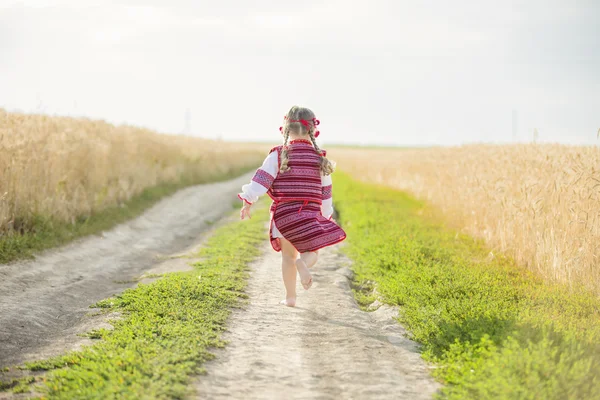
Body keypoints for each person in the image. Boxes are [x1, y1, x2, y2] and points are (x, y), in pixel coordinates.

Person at [238, 105, 347, 307]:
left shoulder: (278, 155)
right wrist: (325, 216)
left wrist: (248, 200)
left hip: (284, 217)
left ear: (286, 129)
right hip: (309, 215)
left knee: (288, 257)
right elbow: (326, 193)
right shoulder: (320, 159)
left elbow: (261, 180)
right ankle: (303, 263)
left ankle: (290, 298)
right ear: (313, 130)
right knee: (312, 252)